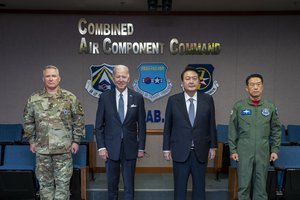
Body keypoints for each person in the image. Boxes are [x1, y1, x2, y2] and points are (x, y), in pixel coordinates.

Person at [23, 65, 85, 200]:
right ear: (43, 79)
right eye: (47, 76)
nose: (51, 79)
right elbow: (28, 122)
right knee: (45, 185)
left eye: (53, 76)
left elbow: (78, 120)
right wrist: (31, 141)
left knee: (63, 185)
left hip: (64, 149)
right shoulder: (34, 99)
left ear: (59, 78)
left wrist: (76, 141)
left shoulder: (70, 98)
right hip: (42, 149)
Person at [163, 66, 217, 200]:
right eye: (187, 79)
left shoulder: (207, 99)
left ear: (199, 82)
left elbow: (212, 123)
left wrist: (213, 146)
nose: (191, 81)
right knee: (180, 189)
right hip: (180, 151)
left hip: (201, 151)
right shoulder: (173, 100)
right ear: (182, 83)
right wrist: (166, 148)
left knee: (200, 189)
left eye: (194, 78)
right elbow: (168, 126)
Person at [95, 64, 146, 200]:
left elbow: (141, 125)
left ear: (128, 78)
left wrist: (141, 147)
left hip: (130, 147)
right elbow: (99, 125)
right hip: (110, 148)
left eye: (124, 76)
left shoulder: (137, 97)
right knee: (112, 185)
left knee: (129, 185)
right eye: (118, 76)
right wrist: (101, 147)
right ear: (113, 78)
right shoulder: (105, 97)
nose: (121, 79)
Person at [228, 73, 281, 200]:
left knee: (261, 185)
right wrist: (233, 149)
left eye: (258, 84)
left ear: (262, 87)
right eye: (252, 85)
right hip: (244, 149)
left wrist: (275, 149)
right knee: (244, 184)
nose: (255, 87)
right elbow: (232, 129)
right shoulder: (239, 106)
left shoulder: (270, 107)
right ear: (247, 88)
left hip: (263, 150)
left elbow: (276, 129)